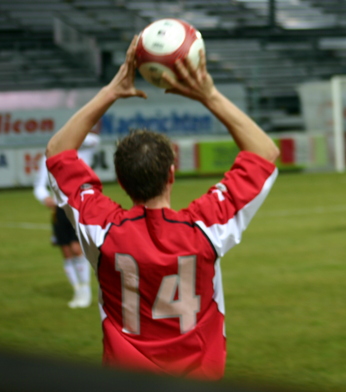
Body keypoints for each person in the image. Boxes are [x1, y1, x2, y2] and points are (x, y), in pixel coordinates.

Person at [44, 37, 279, 380]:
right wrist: (208, 95)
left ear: (121, 182)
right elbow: (264, 152)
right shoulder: (206, 227)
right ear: (172, 172)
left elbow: (58, 152)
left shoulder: (103, 231)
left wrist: (111, 90)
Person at [34, 133, 100, 308]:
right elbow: (39, 186)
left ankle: (85, 290)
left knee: (77, 248)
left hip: (77, 207)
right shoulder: (47, 160)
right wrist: (44, 198)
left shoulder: (80, 153)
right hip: (59, 210)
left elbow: (93, 139)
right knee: (66, 251)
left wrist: (70, 132)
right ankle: (77, 290)